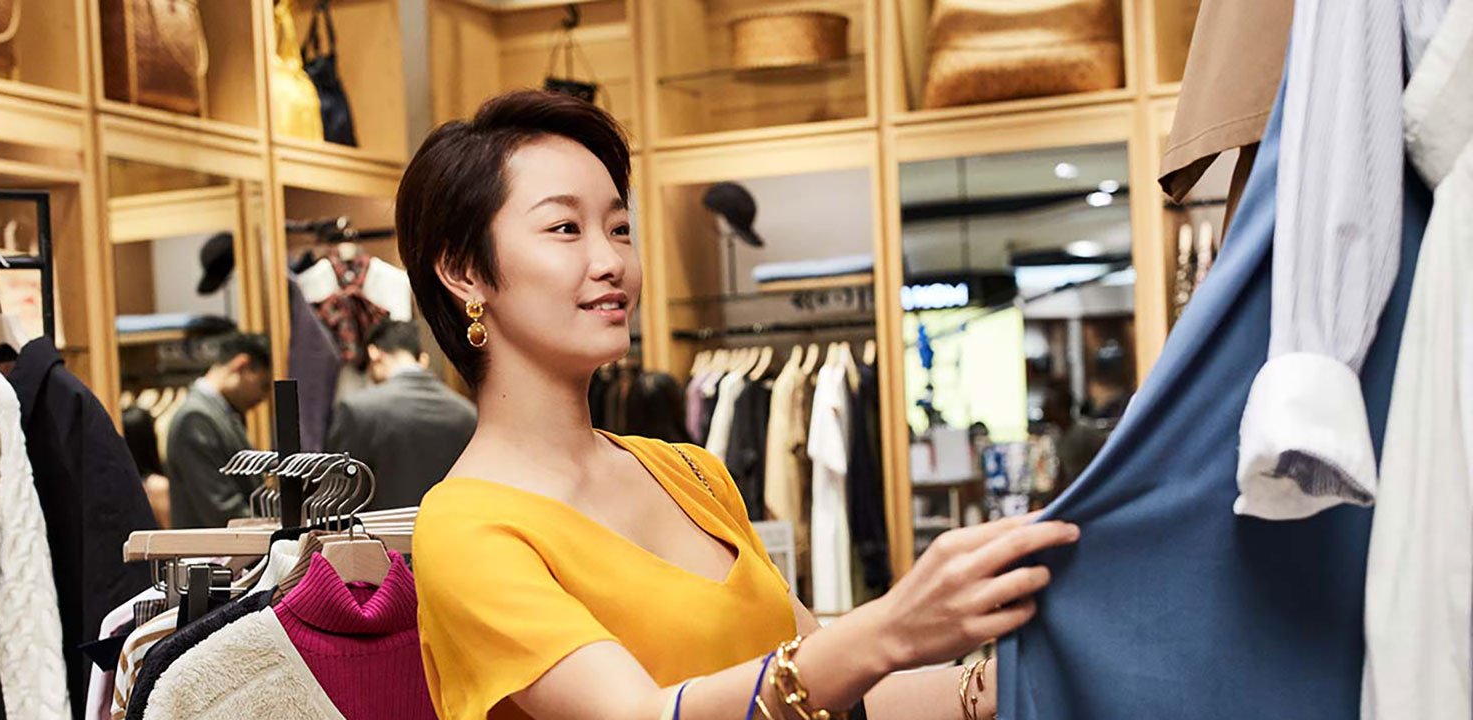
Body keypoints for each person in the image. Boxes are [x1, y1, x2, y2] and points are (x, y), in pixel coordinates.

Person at [400, 90, 1081, 720]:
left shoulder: (690, 474)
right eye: (565, 229)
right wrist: (888, 628)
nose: (611, 261)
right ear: (463, 271)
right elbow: (643, 716)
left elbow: (836, 692)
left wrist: (992, 686)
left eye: (619, 228)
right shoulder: (466, 529)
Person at [326, 320, 478, 509]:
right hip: (450, 534)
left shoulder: (357, 410)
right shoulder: (467, 414)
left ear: (374, 353)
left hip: (381, 537)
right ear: (423, 359)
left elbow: (337, 503)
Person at [164, 331, 272, 527]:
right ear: (242, 365)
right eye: (263, 385)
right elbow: (222, 509)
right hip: (213, 555)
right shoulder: (196, 418)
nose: (262, 398)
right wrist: (276, 531)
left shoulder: (219, 414)